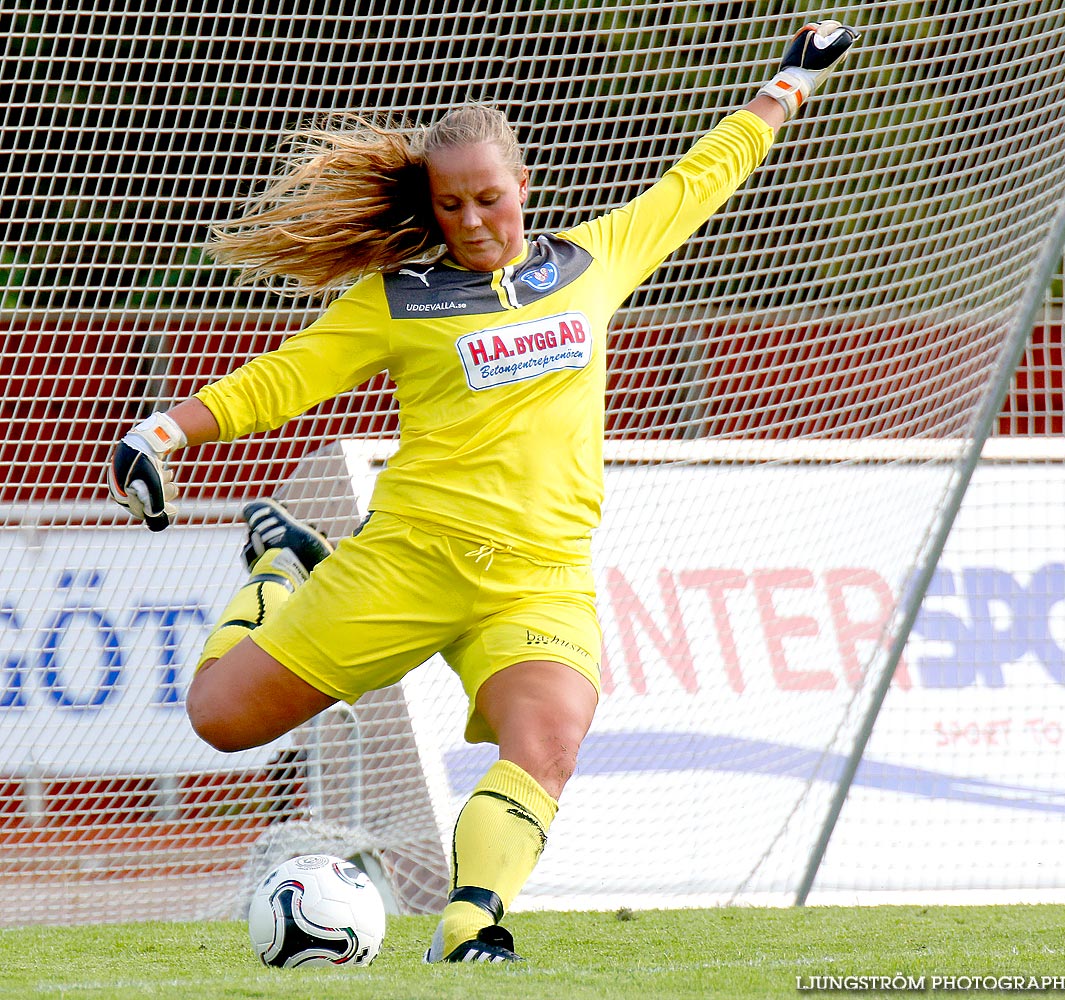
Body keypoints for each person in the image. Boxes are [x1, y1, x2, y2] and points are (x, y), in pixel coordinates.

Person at [107, 21, 858, 963]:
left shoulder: (592, 261)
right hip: (405, 566)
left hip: (538, 581)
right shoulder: (397, 299)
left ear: (523, 188)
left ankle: (471, 926)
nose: (471, 221)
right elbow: (282, 380)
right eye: (451, 204)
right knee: (220, 719)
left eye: (488, 199)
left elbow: (700, 176)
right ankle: (278, 569)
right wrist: (163, 433)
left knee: (546, 741)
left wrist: (789, 81)